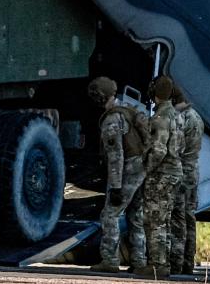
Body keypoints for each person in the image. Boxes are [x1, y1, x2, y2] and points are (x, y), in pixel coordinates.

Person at [86, 77, 148, 274]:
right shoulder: (129, 109)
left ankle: (110, 260)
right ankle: (139, 261)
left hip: (128, 169)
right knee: (135, 215)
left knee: (110, 214)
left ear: (99, 96)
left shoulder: (111, 120)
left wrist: (115, 187)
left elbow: (116, 157)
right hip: (143, 168)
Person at [136, 75, 183, 280]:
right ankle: (164, 263)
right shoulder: (178, 116)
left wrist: (146, 169)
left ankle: (157, 265)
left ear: (154, 92)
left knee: (154, 220)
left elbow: (158, 150)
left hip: (161, 174)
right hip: (174, 172)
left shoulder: (160, 118)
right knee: (164, 219)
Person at [169, 85, 204, 275]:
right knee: (190, 216)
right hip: (194, 169)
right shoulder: (197, 117)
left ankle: (176, 260)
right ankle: (188, 262)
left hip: (182, 170)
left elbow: (176, 147)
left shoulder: (181, 118)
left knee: (178, 217)